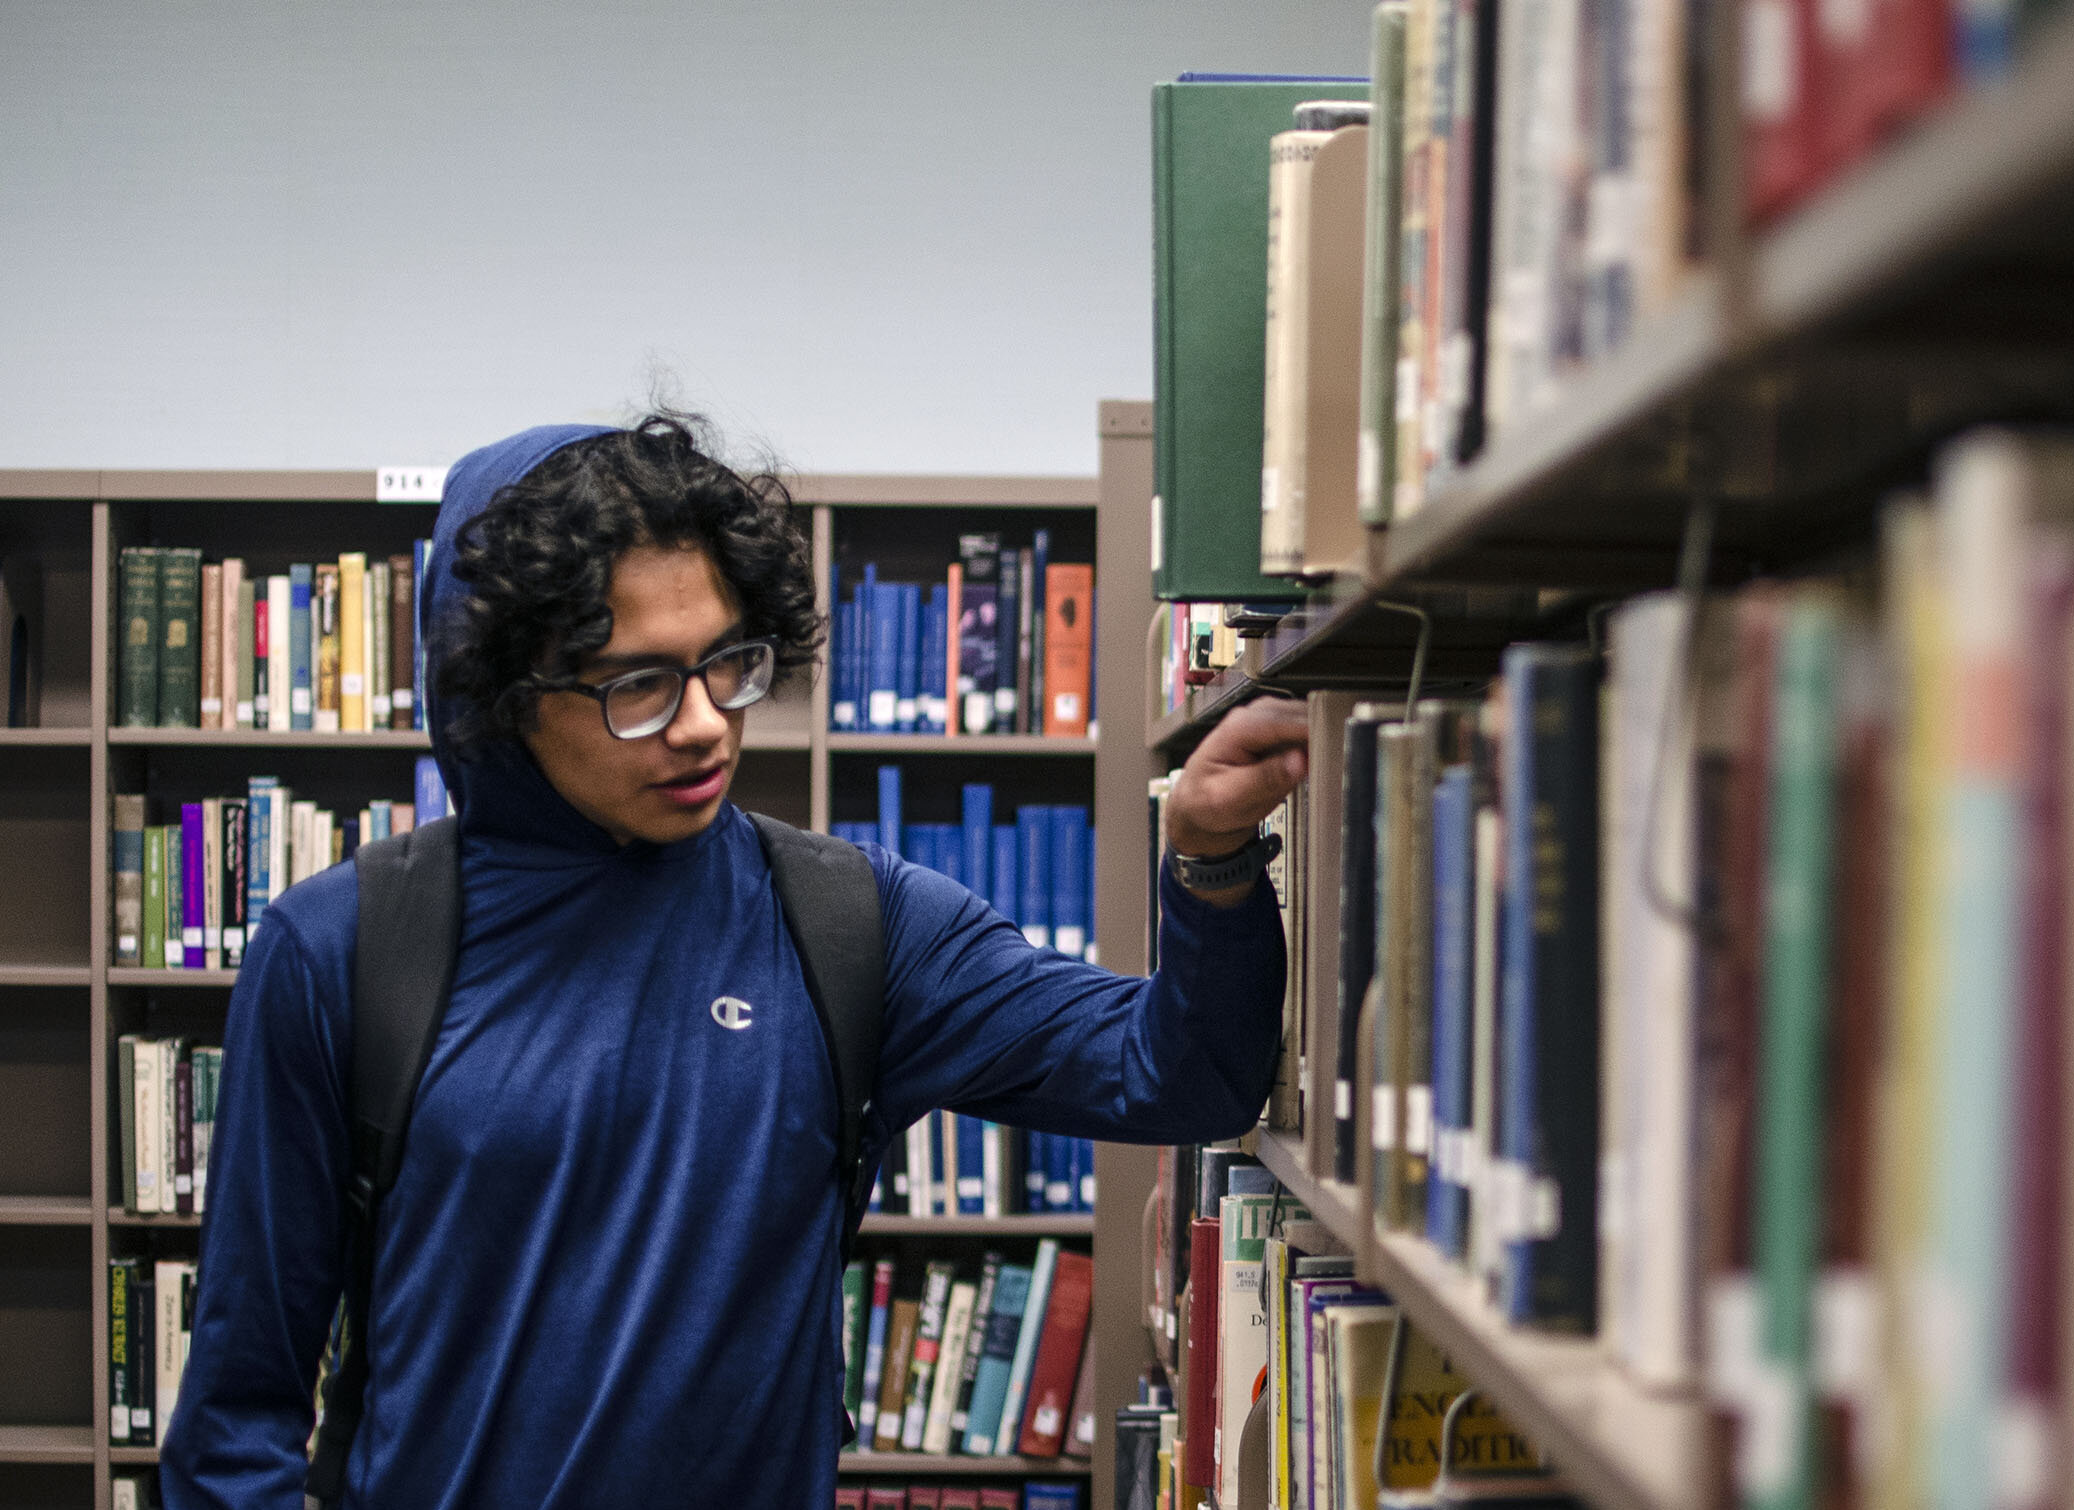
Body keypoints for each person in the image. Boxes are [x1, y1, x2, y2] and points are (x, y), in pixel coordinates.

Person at [160, 417, 1309, 1509]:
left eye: (729, 663)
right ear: (502, 695)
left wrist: (1208, 855)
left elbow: (1184, 1074)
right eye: (640, 683)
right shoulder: (343, 948)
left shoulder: (852, 923)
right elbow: (241, 1398)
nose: (706, 722)